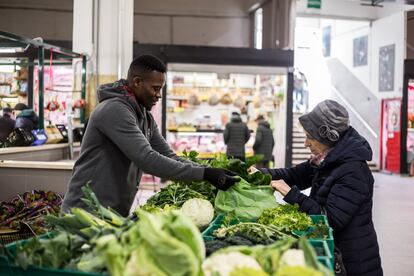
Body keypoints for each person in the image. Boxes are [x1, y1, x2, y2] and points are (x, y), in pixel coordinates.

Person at [62, 55, 239, 216]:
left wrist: (209, 170)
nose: (158, 95)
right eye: (155, 89)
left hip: (112, 212)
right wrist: (204, 174)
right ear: (137, 82)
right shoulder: (115, 110)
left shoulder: (144, 117)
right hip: (85, 212)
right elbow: (147, 159)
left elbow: (169, 155)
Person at [257, 100, 382, 276]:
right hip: (338, 254)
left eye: (310, 137)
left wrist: (292, 194)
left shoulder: (353, 171)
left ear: (328, 138)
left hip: (352, 263)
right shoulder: (327, 160)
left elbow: (330, 220)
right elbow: (294, 175)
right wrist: (258, 174)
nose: (305, 143)